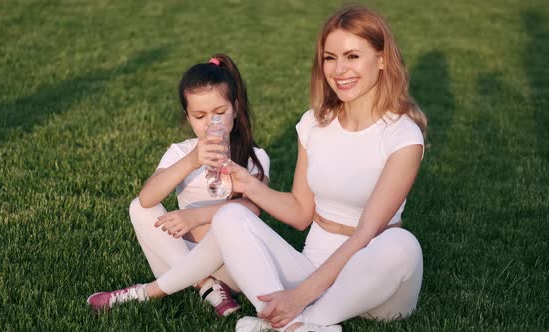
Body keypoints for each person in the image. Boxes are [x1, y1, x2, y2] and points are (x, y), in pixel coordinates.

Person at [210, 5, 427, 332]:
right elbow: (300, 212)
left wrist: (300, 296)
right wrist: (249, 185)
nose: (340, 69)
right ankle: (297, 324)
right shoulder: (313, 124)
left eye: (352, 56)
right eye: (330, 57)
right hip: (312, 264)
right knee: (229, 216)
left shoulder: (402, 134)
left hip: (376, 286)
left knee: (403, 246)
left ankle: (297, 322)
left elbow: (366, 233)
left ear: (382, 59)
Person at [87, 54, 270, 317]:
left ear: (236, 108)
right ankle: (205, 285)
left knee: (231, 221)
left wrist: (195, 216)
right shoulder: (180, 153)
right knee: (138, 208)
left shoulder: (255, 158)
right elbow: (147, 198)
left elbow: (252, 208)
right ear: (187, 117)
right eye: (200, 115)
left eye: (220, 112)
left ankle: (148, 291)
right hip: (178, 257)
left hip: (229, 265)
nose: (211, 123)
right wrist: (192, 160)